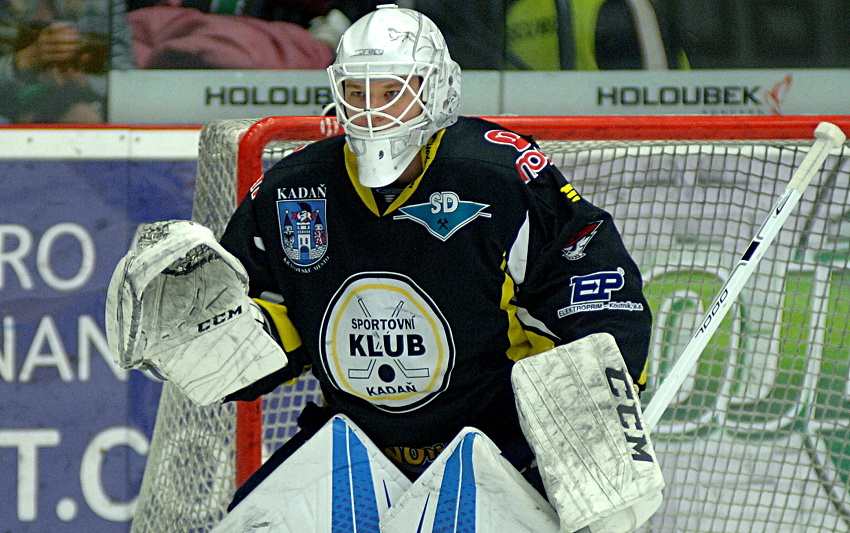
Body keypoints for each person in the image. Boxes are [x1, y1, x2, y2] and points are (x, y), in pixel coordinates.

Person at [214, 3, 652, 504]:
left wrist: (601, 406)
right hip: (355, 446)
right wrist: (208, 337)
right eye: (357, 93)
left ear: (437, 90)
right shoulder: (293, 188)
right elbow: (261, 322)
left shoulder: (498, 175)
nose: (372, 112)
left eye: (392, 92)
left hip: (498, 449)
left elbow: (590, 285)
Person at [0, 0, 135, 122]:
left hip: (82, 101)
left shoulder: (107, 4)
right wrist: (23, 61)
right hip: (8, 105)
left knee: (85, 117)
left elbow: (125, 81)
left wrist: (82, 81)